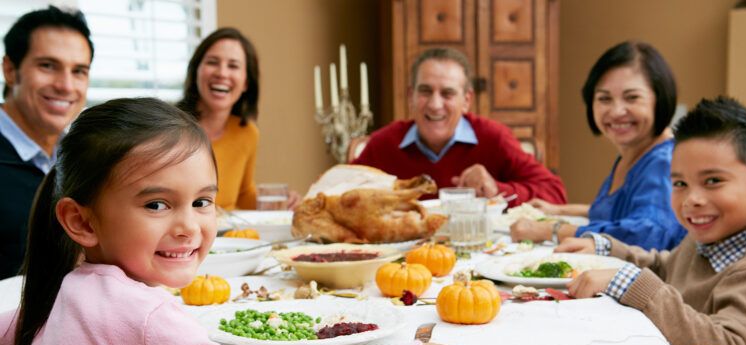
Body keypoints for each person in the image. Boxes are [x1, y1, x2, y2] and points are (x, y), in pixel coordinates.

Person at [0, 98, 478, 345]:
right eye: (156, 205)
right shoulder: (144, 320)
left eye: (203, 201)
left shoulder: (63, 294)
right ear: (80, 221)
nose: (189, 226)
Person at [559, 96, 746, 345]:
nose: (692, 199)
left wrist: (636, 285)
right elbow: (667, 266)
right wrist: (607, 248)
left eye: (713, 181)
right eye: (680, 183)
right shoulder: (710, 239)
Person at [510, 41, 686, 250]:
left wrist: (552, 229)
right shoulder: (632, 154)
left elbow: (648, 234)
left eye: (632, 98)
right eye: (604, 99)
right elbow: (617, 212)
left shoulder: (664, 161)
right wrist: (558, 210)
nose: (616, 111)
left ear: (660, 99)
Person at [352, 47, 566, 205]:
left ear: (466, 100)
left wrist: (495, 189)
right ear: (411, 96)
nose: (435, 105)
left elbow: (555, 193)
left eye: (448, 93)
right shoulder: (384, 143)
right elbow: (336, 193)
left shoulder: (494, 137)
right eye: (425, 91)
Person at [0, 5, 93, 279]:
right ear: (10, 70)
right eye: (48, 66)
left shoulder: (83, 157)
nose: (65, 85)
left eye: (78, 71)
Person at [178, 27, 299, 211]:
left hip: (228, 237)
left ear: (246, 83)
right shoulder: (168, 128)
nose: (222, 73)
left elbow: (244, 195)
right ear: (196, 72)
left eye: (233, 66)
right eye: (212, 62)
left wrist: (282, 201)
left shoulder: (247, 133)